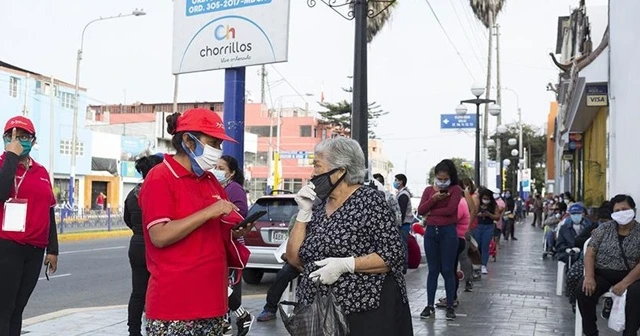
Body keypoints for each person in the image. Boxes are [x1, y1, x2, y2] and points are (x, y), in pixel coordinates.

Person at [287, 137, 413, 336]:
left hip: (364, 313)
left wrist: (345, 265)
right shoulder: (318, 206)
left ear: (339, 171)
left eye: (317, 166)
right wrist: (303, 213)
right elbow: (294, 258)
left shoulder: (370, 201)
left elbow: (393, 254)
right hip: (318, 313)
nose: (313, 173)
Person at [138, 109, 241, 336]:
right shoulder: (160, 177)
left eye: (219, 144)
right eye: (212, 142)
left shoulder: (209, 179)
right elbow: (160, 236)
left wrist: (238, 229)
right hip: (175, 307)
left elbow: (217, 228)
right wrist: (208, 212)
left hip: (212, 303)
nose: (217, 151)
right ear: (187, 140)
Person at [0, 116, 58, 336]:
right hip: (7, 247)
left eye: (24, 136)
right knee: (4, 309)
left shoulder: (41, 172)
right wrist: (12, 156)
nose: (18, 140)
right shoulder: (3, 164)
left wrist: (53, 249)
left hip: (35, 249)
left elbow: (49, 210)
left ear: (33, 141)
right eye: (12, 136)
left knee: (18, 308)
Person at [577, 194, 640, 336]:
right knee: (583, 290)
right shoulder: (604, 229)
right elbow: (590, 253)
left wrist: (624, 283)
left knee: (636, 294)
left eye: (624, 209)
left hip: (631, 276)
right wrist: (589, 277)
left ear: (633, 210)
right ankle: (590, 332)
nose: (621, 213)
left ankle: (630, 333)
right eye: (617, 211)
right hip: (602, 274)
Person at [123, 153, 164, 336]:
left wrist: (138, 231)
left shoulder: (133, 193)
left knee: (138, 292)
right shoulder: (159, 189)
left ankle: (133, 330)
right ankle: (158, 326)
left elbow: (128, 219)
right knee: (160, 290)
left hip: (137, 244)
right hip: (156, 245)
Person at [417, 159, 462, 320]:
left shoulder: (455, 190)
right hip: (431, 234)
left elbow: (451, 211)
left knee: (448, 270)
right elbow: (421, 210)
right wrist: (434, 199)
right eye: (439, 178)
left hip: (448, 233)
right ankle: (429, 305)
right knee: (433, 270)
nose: (442, 182)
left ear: (451, 177)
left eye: (445, 179)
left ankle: (450, 305)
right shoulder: (429, 190)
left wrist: (431, 213)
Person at [213, 155, 253, 336]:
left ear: (232, 172)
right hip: (216, 242)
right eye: (215, 166)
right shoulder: (215, 186)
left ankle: (236, 317)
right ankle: (227, 322)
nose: (216, 170)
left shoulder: (234, 189)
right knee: (217, 287)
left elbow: (240, 215)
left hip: (230, 243)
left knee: (221, 285)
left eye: (221, 168)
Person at [565, 203, 610, 312]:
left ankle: (609, 304)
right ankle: (574, 301)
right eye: (602, 221)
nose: (605, 224)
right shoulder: (593, 228)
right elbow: (578, 241)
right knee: (573, 275)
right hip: (588, 259)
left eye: (607, 221)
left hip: (610, 264)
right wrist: (591, 238)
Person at [257, 214, 301, 322]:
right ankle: (270, 308)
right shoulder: (297, 218)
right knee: (283, 274)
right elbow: (292, 241)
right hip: (299, 258)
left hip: (319, 258)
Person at [472, 187, 501, 275]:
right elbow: (473, 213)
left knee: (485, 246)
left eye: (487, 199)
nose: (486, 200)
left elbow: (497, 217)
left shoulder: (494, 205)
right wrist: (479, 214)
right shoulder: (477, 203)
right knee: (476, 246)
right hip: (478, 226)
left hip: (488, 227)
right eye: (484, 198)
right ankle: (476, 264)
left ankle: (483, 265)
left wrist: (489, 214)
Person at [394, 173, 415, 274]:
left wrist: (398, 224)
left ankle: (403, 267)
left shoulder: (403, 195)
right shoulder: (401, 193)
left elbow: (401, 212)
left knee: (402, 245)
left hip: (403, 225)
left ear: (401, 181)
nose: (395, 182)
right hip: (403, 224)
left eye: (396, 180)